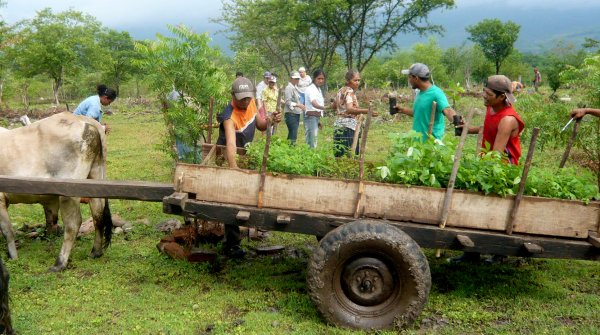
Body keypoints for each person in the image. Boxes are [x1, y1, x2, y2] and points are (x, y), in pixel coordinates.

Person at [450, 74, 525, 264]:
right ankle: (471, 253)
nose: (484, 95)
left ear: (502, 97)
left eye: (488, 93)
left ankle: (499, 253)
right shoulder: (491, 108)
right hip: (488, 164)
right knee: (474, 208)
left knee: (494, 211)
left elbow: (497, 155)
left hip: (502, 169)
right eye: (484, 91)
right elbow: (487, 128)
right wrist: (468, 128)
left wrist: (477, 172)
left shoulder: (508, 119)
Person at [216, 76, 281, 258]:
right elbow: (230, 143)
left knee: (246, 195)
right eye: (241, 98)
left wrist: (270, 119)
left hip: (245, 155)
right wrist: (234, 169)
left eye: (247, 97)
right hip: (228, 159)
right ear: (233, 96)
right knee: (230, 199)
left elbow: (260, 125)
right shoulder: (228, 116)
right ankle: (231, 244)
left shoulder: (251, 103)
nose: (245, 101)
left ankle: (248, 229)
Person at [393, 63, 458, 141]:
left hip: (430, 144)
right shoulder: (420, 93)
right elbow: (419, 113)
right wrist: (402, 110)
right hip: (417, 142)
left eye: (409, 77)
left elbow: (448, 110)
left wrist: (459, 123)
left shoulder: (436, 93)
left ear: (416, 78)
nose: (409, 80)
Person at [333, 69, 371, 157]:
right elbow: (349, 109)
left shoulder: (340, 90)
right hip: (348, 126)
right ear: (348, 81)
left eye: (359, 80)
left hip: (338, 125)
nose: (357, 82)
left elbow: (334, 106)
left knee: (339, 153)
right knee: (350, 154)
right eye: (355, 80)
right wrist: (367, 111)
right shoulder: (349, 92)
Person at [304, 69, 326, 148]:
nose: (320, 81)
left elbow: (318, 106)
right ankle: (308, 158)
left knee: (314, 140)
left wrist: (319, 120)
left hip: (315, 117)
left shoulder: (319, 89)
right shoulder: (310, 89)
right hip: (311, 117)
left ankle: (311, 157)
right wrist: (325, 108)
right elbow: (314, 103)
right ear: (314, 78)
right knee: (311, 141)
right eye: (319, 78)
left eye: (322, 79)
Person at [284, 71, 305, 144]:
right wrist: (299, 105)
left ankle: (288, 149)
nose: (297, 80)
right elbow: (287, 102)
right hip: (291, 114)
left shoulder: (295, 88)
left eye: (298, 79)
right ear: (291, 78)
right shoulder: (289, 88)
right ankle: (290, 149)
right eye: (295, 78)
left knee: (292, 134)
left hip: (296, 114)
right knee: (293, 134)